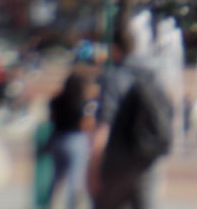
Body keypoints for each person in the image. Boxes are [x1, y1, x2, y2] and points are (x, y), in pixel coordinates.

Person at [89, 18, 174, 209]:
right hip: (148, 160)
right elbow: (166, 115)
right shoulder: (153, 75)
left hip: (117, 160)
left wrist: (93, 167)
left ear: (114, 48)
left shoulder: (113, 78)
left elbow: (104, 125)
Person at [46, 70, 95, 209]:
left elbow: (51, 119)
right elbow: (85, 124)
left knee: (57, 178)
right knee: (76, 180)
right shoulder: (81, 103)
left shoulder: (56, 100)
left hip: (57, 138)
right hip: (75, 139)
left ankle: (53, 205)